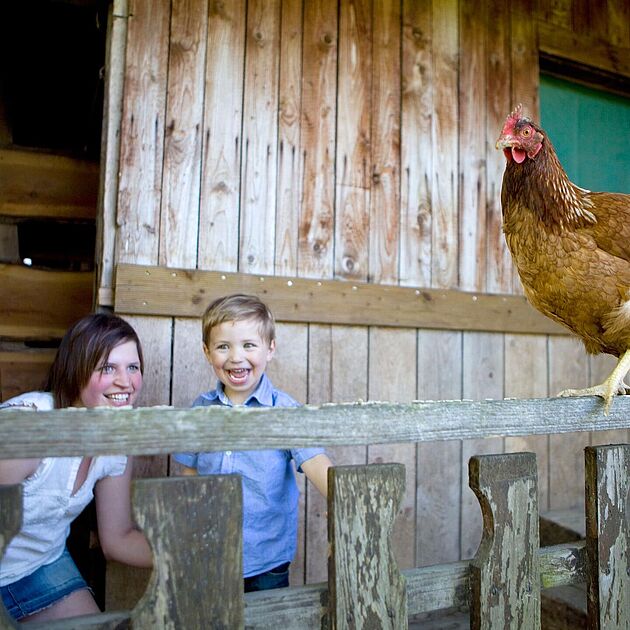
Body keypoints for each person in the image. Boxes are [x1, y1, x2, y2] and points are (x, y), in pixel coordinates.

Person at [0, 313, 153, 623]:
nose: (126, 381)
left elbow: (118, 538)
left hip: (41, 563)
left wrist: (188, 554)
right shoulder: (31, 429)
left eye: (132, 367)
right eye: (108, 368)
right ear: (76, 369)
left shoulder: (119, 437)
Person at [173, 294, 332, 592]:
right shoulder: (199, 411)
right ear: (207, 352)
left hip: (266, 560)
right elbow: (190, 477)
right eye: (223, 346)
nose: (236, 357)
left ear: (270, 349)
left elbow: (319, 467)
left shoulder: (284, 412)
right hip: (210, 556)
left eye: (248, 345)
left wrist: (346, 508)